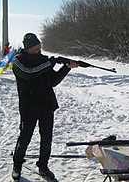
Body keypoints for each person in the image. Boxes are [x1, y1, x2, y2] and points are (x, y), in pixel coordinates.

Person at [11, 33, 78, 181]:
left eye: (39, 48)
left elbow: (52, 81)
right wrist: (51, 63)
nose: (38, 50)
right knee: (25, 137)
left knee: (46, 139)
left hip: (47, 105)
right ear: (27, 48)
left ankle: (43, 166)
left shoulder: (43, 60)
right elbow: (29, 73)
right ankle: (17, 165)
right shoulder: (18, 61)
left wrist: (66, 68)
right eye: (35, 48)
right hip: (29, 107)